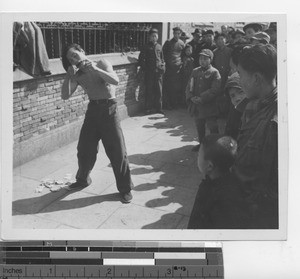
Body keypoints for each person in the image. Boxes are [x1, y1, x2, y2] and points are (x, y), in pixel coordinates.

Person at [61, 43, 133, 203]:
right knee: (84, 148)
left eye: (74, 55)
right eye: (70, 59)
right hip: (93, 110)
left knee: (117, 151)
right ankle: (83, 179)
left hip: (109, 109)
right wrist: (68, 76)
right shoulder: (77, 74)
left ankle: (125, 188)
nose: (73, 60)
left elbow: (115, 80)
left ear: (82, 51)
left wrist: (96, 69)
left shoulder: (102, 63)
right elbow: (65, 95)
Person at [233, 44, 278, 229]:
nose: (238, 80)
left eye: (240, 74)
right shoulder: (252, 104)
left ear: (257, 78)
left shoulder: (279, 121)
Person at [187, 134, 248, 229]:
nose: (197, 157)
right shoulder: (233, 180)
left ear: (210, 166)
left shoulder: (209, 192)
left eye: (199, 155)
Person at [186, 49, 221, 151]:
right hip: (197, 105)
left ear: (211, 60)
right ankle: (201, 144)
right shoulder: (195, 71)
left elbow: (215, 89)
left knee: (212, 127)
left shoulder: (214, 72)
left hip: (209, 106)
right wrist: (191, 97)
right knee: (199, 126)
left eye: (205, 59)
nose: (202, 61)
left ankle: (216, 147)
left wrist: (202, 98)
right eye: (201, 58)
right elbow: (189, 86)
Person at [138, 28, 165, 115]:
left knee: (159, 90)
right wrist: (146, 69)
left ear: (157, 37)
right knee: (149, 90)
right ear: (149, 37)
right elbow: (141, 60)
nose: (154, 38)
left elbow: (162, 59)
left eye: (155, 36)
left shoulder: (159, 46)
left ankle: (159, 108)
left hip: (158, 73)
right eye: (152, 36)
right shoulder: (146, 47)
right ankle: (148, 108)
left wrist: (162, 67)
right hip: (149, 73)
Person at [163, 27, 185, 109]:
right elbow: (163, 54)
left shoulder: (182, 43)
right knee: (168, 86)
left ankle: (175, 104)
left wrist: (181, 64)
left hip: (178, 69)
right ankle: (167, 104)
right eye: (175, 33)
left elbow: (183, 55)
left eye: (178, 33)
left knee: (176, 87)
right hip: (169, 68)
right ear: (173, 34)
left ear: (180, 34)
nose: (177, 35)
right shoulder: (168, 42)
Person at [213, 33, 232, 117]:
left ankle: (226, 112)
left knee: (227, 93)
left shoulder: (230, 51)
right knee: (218, 93)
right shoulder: (214, 52)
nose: (220, 41)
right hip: (218, 76)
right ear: (216, 41)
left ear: (225, 40)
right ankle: (219, 112)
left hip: (227, 75)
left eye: (222, 39)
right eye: (218, 39)